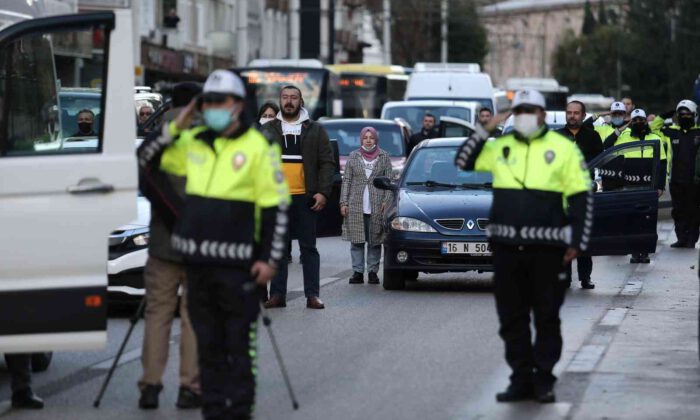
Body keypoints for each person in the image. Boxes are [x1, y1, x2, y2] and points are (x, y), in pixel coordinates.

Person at [137, 69, 289, 419]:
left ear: (238, 105)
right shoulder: (192, 142)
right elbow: (144, 163)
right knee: (208, 352)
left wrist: (270, 259)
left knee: (237, 348)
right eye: (209, 102)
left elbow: (276, 208)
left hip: (239, 267)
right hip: (198, 264)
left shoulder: (259, 147)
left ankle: (237, 412)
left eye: (222, 102)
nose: (215, 108)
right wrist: (176, 126)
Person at [455, 90, 593, 403]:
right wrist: (488, 127)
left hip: (548, 251)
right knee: (511, 319)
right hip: (506, 250)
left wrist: (578, 241)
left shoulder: (563, 148)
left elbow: (582, 196)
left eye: (530, 110)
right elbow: (463, 160)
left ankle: (543, 378)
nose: (525, 116)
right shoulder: (500, 146)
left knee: (546, 318)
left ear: (543, 114)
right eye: (519, 111)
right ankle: (520, 378)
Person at [137, 82, 202, 410]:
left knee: (158, 314)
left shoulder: (158, 136)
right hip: (200, 244)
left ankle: (150, 385)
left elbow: (143, 174)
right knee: (194, 317)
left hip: (163, 241)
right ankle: (190, 387)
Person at [262, 85, 335, 310]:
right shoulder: (268, 129)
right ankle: (277, 295)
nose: (289, 101)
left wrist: (323, 192)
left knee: (308, 248)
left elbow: (327, 163)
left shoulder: (315, 130)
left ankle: (312, 295)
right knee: (279, 249)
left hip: (305, 198)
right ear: (280, 101)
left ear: (300, 101)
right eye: (285, 97)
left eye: (293, 97)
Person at [604, 108, 667, 264]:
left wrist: (660, 186)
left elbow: (662, 164)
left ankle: (644, 252)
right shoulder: (624, 137)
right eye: (635, 120)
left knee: (647, 221)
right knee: (631, 220)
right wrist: (623, 128)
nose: (639, 123)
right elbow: (606, 145)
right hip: (629, 186)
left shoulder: (656, 138)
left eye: (642, 120)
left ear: (646, 121)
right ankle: (634, 252)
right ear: (631, 122)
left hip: (649, 186)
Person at [556, 100, 602, 290]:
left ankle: (585, 277)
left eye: (576, 113)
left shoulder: (592, 137)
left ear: (583, 116)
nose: (572, 116)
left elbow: (600, 164)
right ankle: (564, 277)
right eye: (569, 112)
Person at [340, 126, 392, 284]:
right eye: (365, 137)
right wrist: (343, 202)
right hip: (356, 205)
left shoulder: (384, 157)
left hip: (377, 205)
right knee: (357, 240)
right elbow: (347, 181)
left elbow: (389, 181)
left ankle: (372, 272)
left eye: (371, 137)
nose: (368, 140)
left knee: (375, 240)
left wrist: (386, 201)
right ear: (361, 139)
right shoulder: (353, 156)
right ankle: (357, 272)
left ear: (376, 139)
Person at [658, 100, 700, 248]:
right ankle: (681, 238)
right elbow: (653, 128)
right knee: (678, 212)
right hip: (676, 180)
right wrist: (666, 114)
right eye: (681, 114)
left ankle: (691, 240)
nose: (684, 116)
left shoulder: (698, 132)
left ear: (694, 115)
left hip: (694, 182)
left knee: (693, 212)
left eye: (688, 114)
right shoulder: (671, 132)